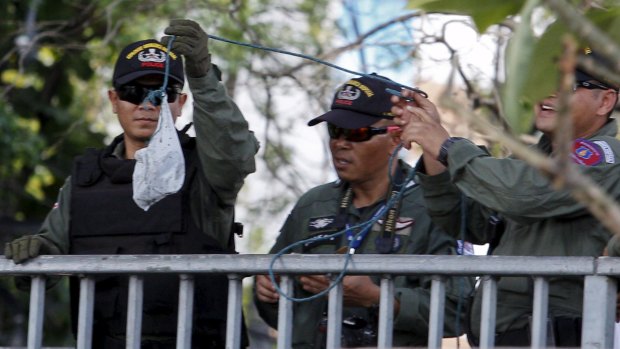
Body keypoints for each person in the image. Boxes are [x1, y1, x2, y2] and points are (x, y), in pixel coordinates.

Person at [4, 19, 259, 348]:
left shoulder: (208, 169)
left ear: (180, 104)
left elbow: (236, 155)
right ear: (113, 100)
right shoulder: (85, 180)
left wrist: (201, 74)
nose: (147, 103)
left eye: (163, 92)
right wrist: (38, 255)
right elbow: (51, 250)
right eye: (133, 92)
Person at [391, 48, 620, 347]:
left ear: (605, 101)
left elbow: (525, 193)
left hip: (556, 337)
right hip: (506, 334)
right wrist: (432, 145)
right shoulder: (529, 163)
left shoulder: (603, 157)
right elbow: (472, 224)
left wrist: (448, 147)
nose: (547, 91)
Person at [253, 75, 473, 348]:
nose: (340, 143)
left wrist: (377, 298)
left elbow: (458, 311)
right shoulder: (313, 204)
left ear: (397, 137)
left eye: (357, 133)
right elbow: (278, 308)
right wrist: (267, 292)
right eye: (335, 130)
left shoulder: (436, 206)